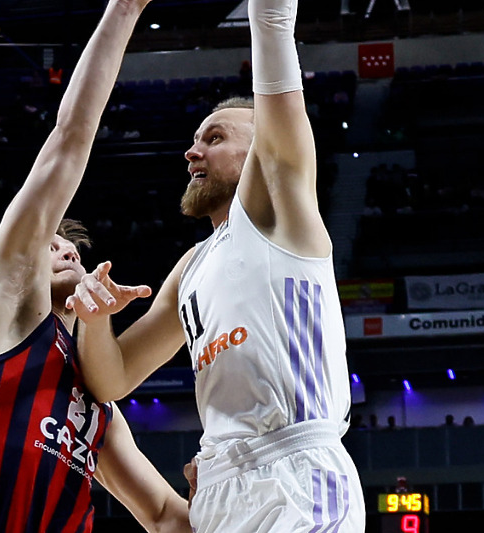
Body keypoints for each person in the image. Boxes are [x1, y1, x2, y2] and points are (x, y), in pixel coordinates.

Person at [67, 0, 366, 530]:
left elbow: (278, 83)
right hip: (218, 487)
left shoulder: (282, 216)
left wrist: (267, 15)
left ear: (258, 154)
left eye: (215, 137)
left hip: (296, 474)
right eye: (195, 139)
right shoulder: (190, 267)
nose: (192, 151)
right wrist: (94, 322)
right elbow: (113, 381)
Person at [0, 1, 191, 532]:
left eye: (73, 248)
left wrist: (232, 496)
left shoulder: (98, 402)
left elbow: (165, 516)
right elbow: (68, 143)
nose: (69, 250)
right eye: (51, 246)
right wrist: (123, 10)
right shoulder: (0, 315)